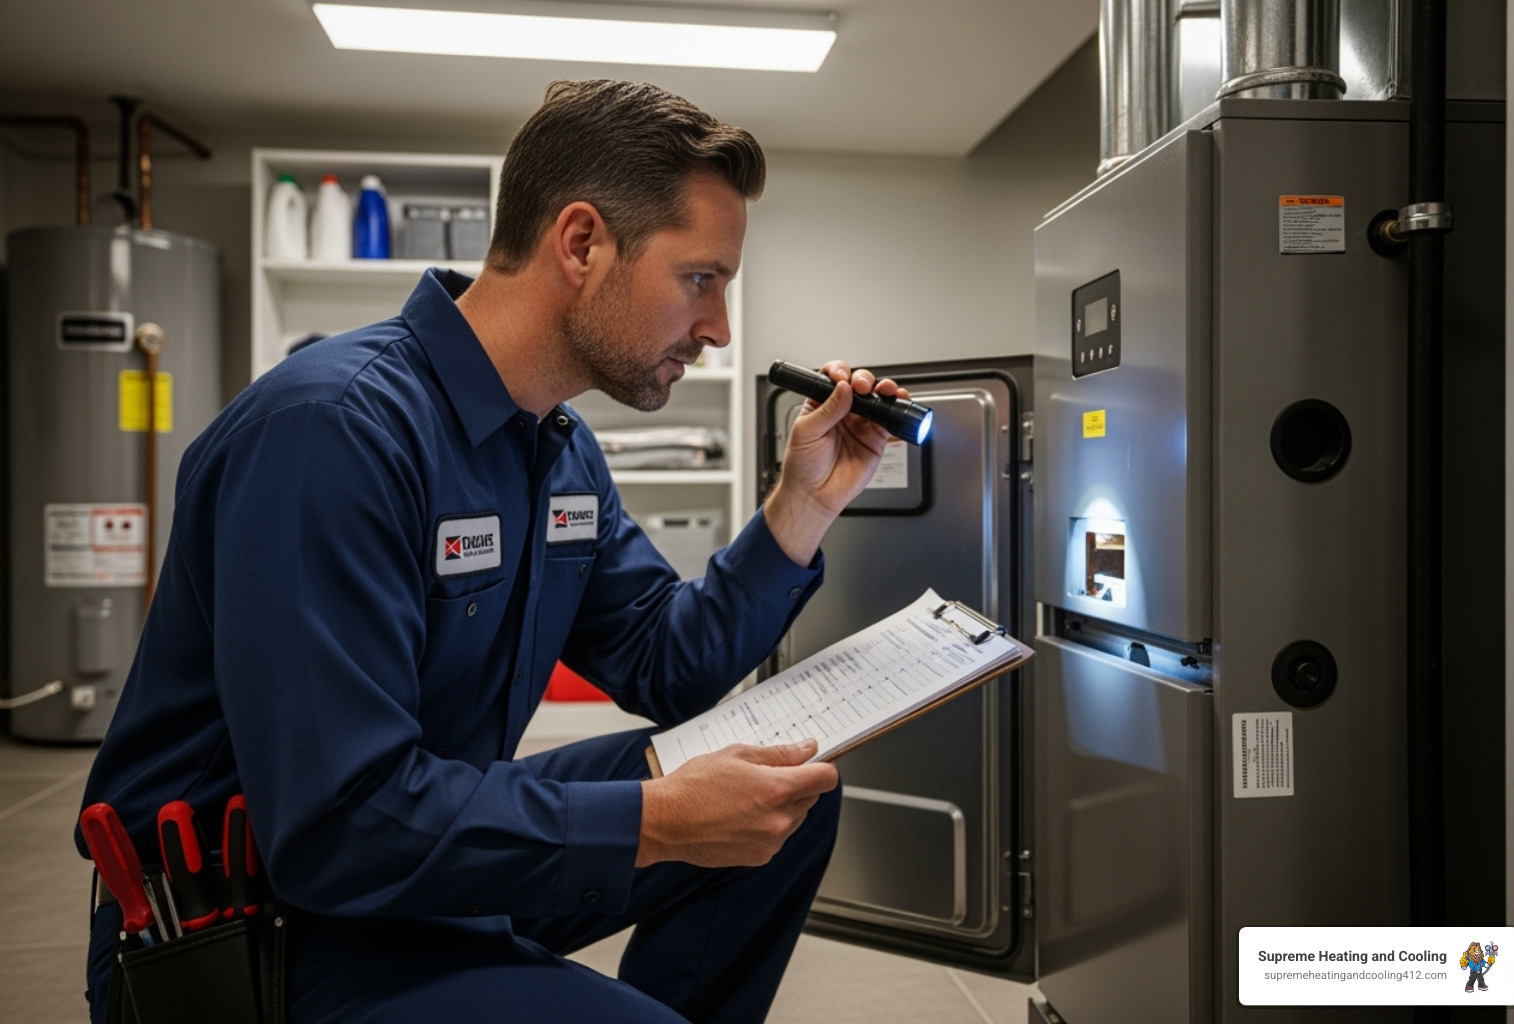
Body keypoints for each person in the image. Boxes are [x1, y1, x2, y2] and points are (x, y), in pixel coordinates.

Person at [77, 79, 910, 1024]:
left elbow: (666, 665)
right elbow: (336, 823)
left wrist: (801, 506)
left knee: (784, 801)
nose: (718, 329)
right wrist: (654, 820)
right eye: (701, 279)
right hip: (255, 929)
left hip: (423, 859)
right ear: (583, 243)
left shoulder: (554, 447)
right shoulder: (333, 432)